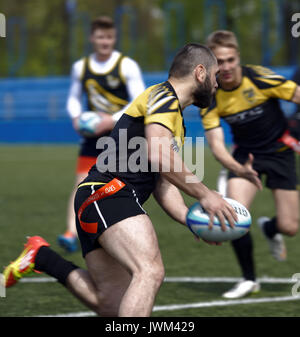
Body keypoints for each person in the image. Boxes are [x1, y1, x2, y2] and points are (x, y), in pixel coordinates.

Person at [4, 43, 238, 317]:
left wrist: (191, 219)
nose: (216, 85)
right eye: (214, 76)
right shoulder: (163, 96)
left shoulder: (173, 116)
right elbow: (159, 152)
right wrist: (205, 194)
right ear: (200, 72)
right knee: (149, 270)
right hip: (110, 194)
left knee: (111, 305)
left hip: (98, 197)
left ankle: (41, 256)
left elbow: (164, 184)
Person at [200, 30, 300, 299]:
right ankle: (249, 279)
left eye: (231, 59)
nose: (227, 67)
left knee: (291, 226)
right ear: (211, 64)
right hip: (245, 158)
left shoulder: (260, 77)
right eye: (219, 62)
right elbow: (217, 145)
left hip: (280, 153)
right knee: (236, 216)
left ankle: (270, 228)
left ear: (238, 58)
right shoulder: (210, 94)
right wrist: (237, 167)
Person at [58, 16, 145, 252]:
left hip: (120, 136)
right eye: (100, 37)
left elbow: (139, 100)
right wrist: (76, 117)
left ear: (114, 38)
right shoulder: (81, 67)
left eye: (109, 37)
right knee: (81, 184)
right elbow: (74, 99)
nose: (104, 42)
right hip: (91, 138)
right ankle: (70, 232)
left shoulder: (126, 65)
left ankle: (118, 229)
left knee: (120, 186)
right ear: (92, 38)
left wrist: (111, 120)